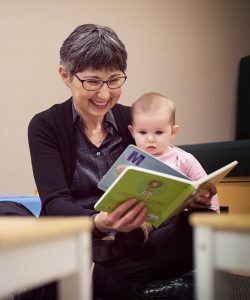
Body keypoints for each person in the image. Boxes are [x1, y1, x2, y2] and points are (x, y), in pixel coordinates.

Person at [28, 24, 218, 300]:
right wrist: (99, 222)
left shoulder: (134, 121)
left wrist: (186, 198)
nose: (104, 95)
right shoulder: (45, 126)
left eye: (114, 80)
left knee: (203, 226)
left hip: (132, 240)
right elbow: (55, 202)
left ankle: (94, 282)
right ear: (65, 76)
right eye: (92, 82)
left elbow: (159, 179)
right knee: (50, 254)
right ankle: (137, 292)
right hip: (79, 239)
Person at [128, 92, 219, 212]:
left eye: (159, 132)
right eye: (142, 132)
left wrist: (213, 214)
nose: (150, 139)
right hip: (142, 218)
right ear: (132, 132)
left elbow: (207, 189)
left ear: (173, 131)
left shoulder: (185, 160)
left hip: (177, 218)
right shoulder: (130, 159)